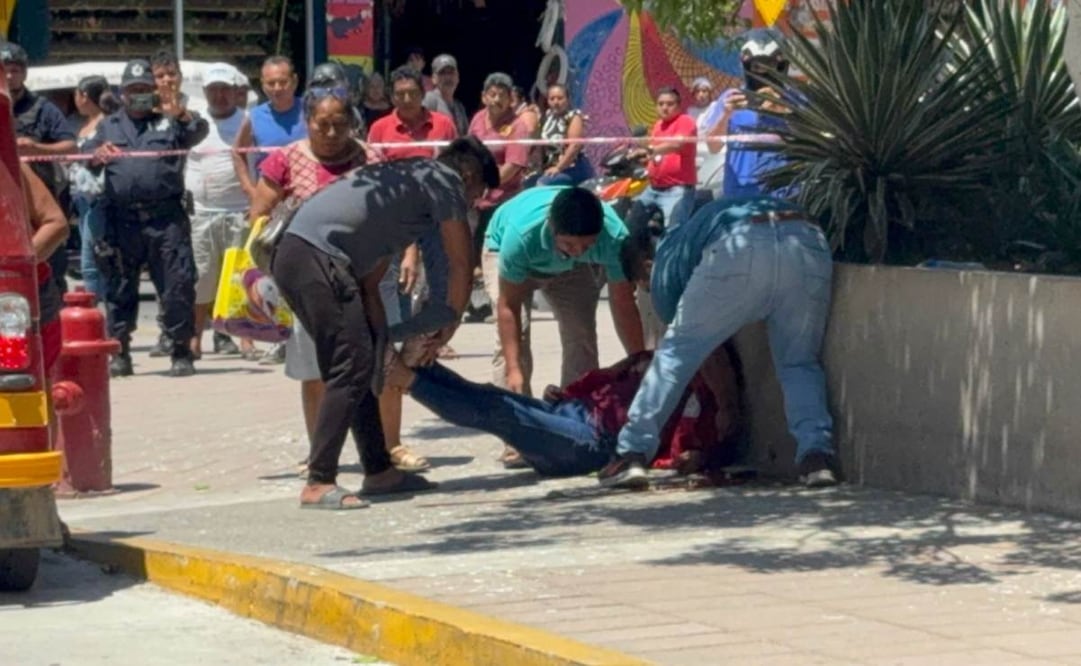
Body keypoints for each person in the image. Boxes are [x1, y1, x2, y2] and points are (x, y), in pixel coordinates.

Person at [270, 137, 500, 510]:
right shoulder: (442, 179)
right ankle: (318, 482)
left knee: (363, 363)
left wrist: (381, 340)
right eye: (478, 193)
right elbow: (460, 263)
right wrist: (449, 323)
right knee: (350, 366)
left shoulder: (402, 188)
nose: (472, 204)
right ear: (470, 175)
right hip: (315, 258)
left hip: (304, 258)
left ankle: (379, 471)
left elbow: (370, 279)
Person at [602, 196, 838, 489]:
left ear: (646, 266)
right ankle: (817, 458)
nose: (647, 291)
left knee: (675, 355)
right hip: (804, 237)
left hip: (738, 243)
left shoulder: (664, 266)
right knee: (799, 362)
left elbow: (698, 352)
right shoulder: (692, 230)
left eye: (642, 284)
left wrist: (727, 405)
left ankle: (632, 453)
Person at [248, 86, 380, 475]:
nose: (332, 132)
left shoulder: (371, 158)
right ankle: (319, 454)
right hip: (307, 283)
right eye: (323, 124)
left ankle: (379, 452)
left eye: (341, 123)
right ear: (308, 123)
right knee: (316, 372)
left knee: (369, 369)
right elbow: (258, 216)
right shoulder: (284, 160)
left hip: (365, 277)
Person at [383, 345, 741, 478]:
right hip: (572, 413)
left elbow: (693, 447)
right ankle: (422, 368)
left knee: (499, 409)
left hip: (589, 442)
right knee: (491, 395)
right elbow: (605, 377)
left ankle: (407, 380)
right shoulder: (654, 360)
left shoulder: (699, 401)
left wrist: (696, 456)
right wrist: (566, 394)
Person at [483, 186, 645, 467]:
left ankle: (576, 423)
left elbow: (623, 303)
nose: (578, 250)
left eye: (587, 245)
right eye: (571, 245)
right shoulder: (521, 236)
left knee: (580, 333)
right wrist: (514, 369)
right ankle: (517, 434)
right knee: (513, 343)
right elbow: (507, 306)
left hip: (572, 272)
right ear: (552, 226)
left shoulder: (613, 237)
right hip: (509, 252)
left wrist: (639, 360)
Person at [83, 58, 208, 378]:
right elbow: (88, 159)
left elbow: (198, 131)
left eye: (144, 89)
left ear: (153, 91)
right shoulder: (109, 125)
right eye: (132, 90)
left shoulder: (168, 121)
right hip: (121, 220)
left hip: (165, 219)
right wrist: (96, 156)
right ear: (122, 93)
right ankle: (120, 351)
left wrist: (179, 112)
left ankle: (181, 350)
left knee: (177, 285)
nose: (138, 95)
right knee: (119, 285)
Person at [366, 65, 459, 473]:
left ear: (422, 93)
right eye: (398, 94)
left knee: (436, 299)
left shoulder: (441, 124)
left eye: (411, 93)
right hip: (391, 228)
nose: (406, 101)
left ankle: (430, 348)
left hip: (437, 222)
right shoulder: (380, 130)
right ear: (391, 97)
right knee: (388, 324)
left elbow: (455, 172)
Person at [232, 55, 307, 364]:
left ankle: (302, 334)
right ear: (262, 85)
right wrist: (251, 191)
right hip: (271, 206)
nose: (277, 88)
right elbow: (238, 152)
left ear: (294, 82)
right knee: (270, 271)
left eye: (283, 82)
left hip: (305, 202)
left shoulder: (308, 111)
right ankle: (274, 335)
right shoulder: (255, 116)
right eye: (270, 83)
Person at [2, 41, 77, 294]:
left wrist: (37, 149)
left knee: (47, 284)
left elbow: (70, 147)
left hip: (37, 208)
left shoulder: (43, 108)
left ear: (24, 72)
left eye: (15, 70)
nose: (9, 76)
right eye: (4, 70)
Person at [186, 63, 249, 360]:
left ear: (235, 92)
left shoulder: (248, 122)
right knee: (202, 279)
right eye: (214, 90)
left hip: (239, 211)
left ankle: (246, 339)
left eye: (225, 89)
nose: (220, 96)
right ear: (205, 92)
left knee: (239, 278)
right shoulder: (194, 122)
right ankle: (196, 337)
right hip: (201, 213)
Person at [710, 29, 791, 198]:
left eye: (769, 65)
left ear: (781, 66)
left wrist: (782, 111)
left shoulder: (794, 101)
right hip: (740, 193)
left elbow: (812, 143)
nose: (762, 73)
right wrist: (725, 115)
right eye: (756, 66)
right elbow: (713, 146)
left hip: (782, 193)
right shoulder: (731, 98)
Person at [468, 72, 530, 264]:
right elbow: (468, 151)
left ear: (510, 99)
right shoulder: (478, 118)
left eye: (502, 96)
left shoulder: (518, 126)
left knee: (493, 255)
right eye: (492, 94)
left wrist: (486, 185)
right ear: (483, 96)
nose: (496, 100)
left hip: (503, 199)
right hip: (474, 197)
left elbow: (513, 165)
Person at [69, 75, 118, 302]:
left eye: (77, 94)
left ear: (85, 96)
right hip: (81, 198)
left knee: (92, 261)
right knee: (88, 255)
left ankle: (97, 315)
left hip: (98, 198)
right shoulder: (84, 124)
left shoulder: (105, 124)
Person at [21, 163, 70, 376]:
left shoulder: (10, 169)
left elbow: (55, 224)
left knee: (29, 386)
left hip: (20, 298)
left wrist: (18, 268)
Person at [633, 87, 698, 231]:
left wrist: (651, 149)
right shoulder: (658, 126)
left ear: (678, 106)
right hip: (653, 188)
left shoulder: (685, 121)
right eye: (661, 104)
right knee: (632, 224)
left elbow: (676, 144)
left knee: (672, 232)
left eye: (670, 104)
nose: (664, 108)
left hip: (677, 190)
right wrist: (639, 154)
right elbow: (655, 153)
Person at [535, 83, 593, 186]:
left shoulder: (574, 117)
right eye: (552, 99)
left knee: (543, 183)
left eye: (560, 98)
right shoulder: (547, 117)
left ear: (567, 99)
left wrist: (558, 168)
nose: (556, 102)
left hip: (573, 168)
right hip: (551, 168)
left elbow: (575, 146)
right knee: (528, 183)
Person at [422, 54, 469, 137]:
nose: (448, 77)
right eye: (442, 73)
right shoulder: (429, 100)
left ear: (457, 77)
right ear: (433, 78)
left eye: (451, 72)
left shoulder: (459, 106)